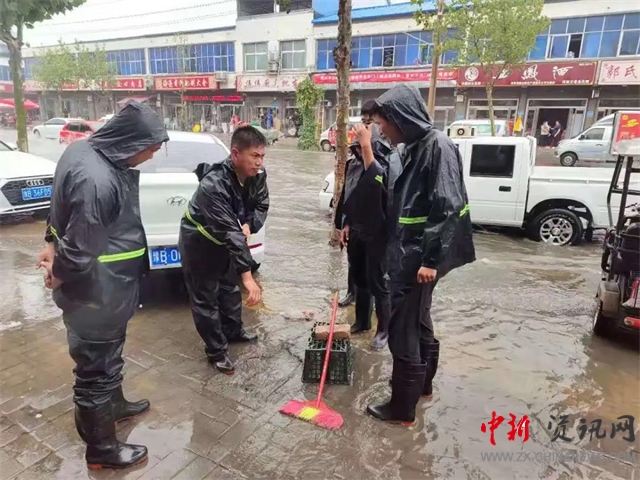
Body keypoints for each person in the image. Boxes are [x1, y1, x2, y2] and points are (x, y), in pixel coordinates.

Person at [36, 101, 169, 469]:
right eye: (151, 147)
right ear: (131, 141)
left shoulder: (83, 151)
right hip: (94, 297)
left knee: (110, 357)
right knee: (95, 373)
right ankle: (102, 450)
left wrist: (50, 243)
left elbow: (59, 207)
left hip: (110, 290)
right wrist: (57, 271)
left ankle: (115, 405)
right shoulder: (97, 180)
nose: (153, 154)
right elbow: (79, 252)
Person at [365, 85, 475, 425]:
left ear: (401, 117)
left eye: (382, 123)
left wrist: (431, 260)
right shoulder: (411, 147)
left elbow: (448, 205)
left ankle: (402, 408)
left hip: (419, 259)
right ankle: (422, 386)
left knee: (403, 330)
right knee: (420, 320)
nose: (381, 130)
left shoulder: (437, 146)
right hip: (410, 254)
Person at [179, 125, 268, 375]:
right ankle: (216, 352)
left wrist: (250, 223)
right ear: (236, 154)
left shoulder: (258, 175)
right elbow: (229, 231)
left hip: (228, 240)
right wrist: (248, 276)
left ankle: (233, 331)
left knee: (229, 289)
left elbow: (260, 204)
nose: (259, 162)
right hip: (200, 241)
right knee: (205, 298)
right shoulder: (213, 184)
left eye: (262, 156)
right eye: (254, 156)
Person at [334, 100, 399, 350]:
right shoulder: (354, 163)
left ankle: (384, 330)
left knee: (378, 281)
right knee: (359, 277)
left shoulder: (387, 161)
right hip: (358, 229)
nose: (365, 127)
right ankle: (362, 322)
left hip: (379, 232)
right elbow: (348, 197)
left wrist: (367, 145)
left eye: (371, 122)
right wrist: (345, 224)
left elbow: (378, 180)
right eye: (363, 122)